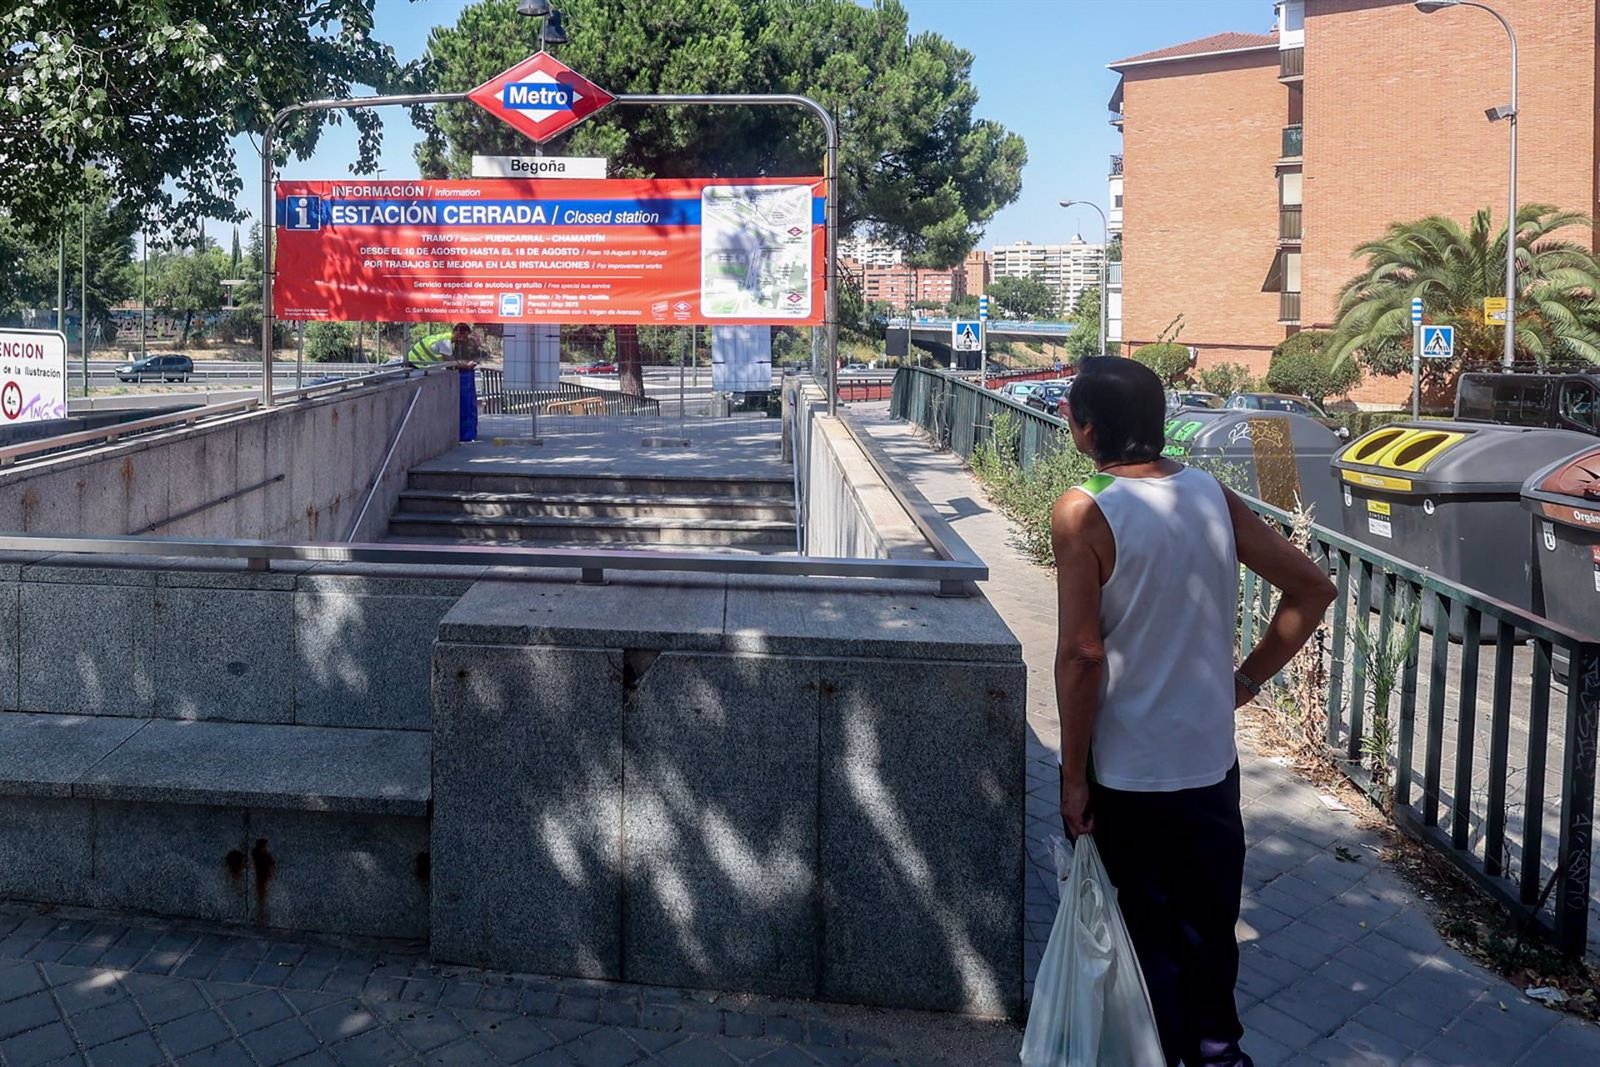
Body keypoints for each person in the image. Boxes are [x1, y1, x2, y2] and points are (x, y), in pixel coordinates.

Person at [1051, 357, 1335, 1067]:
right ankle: (1217, 1052)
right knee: (1209, 929)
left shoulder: (1083, 510)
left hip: (1127, 773)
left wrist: (1072, 778)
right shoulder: (1212, 493)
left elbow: (1082, 656)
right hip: (1211, 766)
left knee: (1145, 940)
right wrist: (1247, 678)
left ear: (1084, 428)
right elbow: (1312, 589)